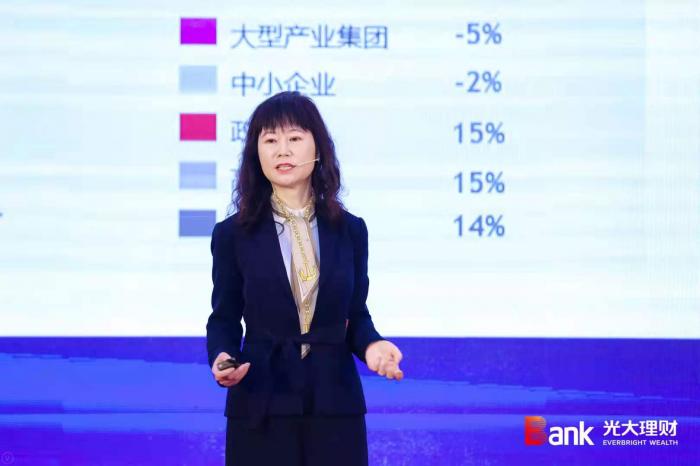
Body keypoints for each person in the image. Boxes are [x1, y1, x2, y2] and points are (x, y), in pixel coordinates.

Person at [205, 91, 404, 466]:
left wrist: (372, 347)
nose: (282, 150)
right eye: (270, 140)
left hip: (335, 403)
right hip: (261, 402)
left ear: (318, 148)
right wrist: (223, 357)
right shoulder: (232, 234)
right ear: (256, 154)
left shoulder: (350, 231)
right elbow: (224, 318)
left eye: (294, 138)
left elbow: (355, 315)